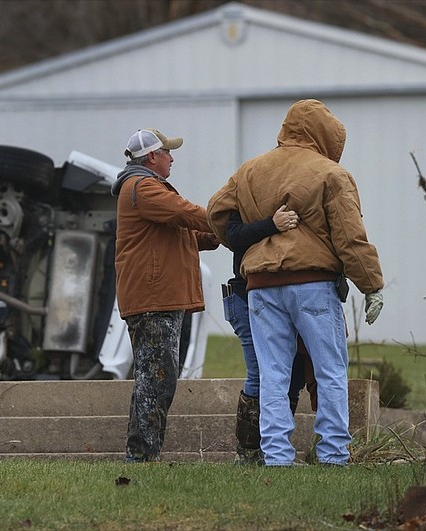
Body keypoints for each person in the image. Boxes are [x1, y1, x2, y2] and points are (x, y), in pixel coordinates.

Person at [207, 99, 384, 466]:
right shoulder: (331, 174)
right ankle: (334, 453)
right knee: (330, 369)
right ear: (326, 134)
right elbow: (350, 238)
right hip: (312, 284)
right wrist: (371, 284)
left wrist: (258, 234)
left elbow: (217, 214)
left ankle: (276, 455)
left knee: (273, 373)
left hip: (260, 285)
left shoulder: (250, 170)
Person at [111, 128, 219, 463]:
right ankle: (141, 456)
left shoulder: (144, 188)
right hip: (153, 299)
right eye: (168, 152)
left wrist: (212, 235)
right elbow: (185, 213)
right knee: (157, 377)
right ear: (153, 157)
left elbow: (182, 232)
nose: (172, 157)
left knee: (156, 375)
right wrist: (227, 219)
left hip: (157, 298)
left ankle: (142, 453)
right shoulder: (143, 187)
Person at [223, 208, 316, 464]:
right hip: (247, 295)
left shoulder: (298, 197)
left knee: (294, 374)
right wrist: (271, 224)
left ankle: (276, 450)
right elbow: (233, 235)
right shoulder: (248, 193)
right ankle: (250, 453)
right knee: (262, 373)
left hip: (285, 295)